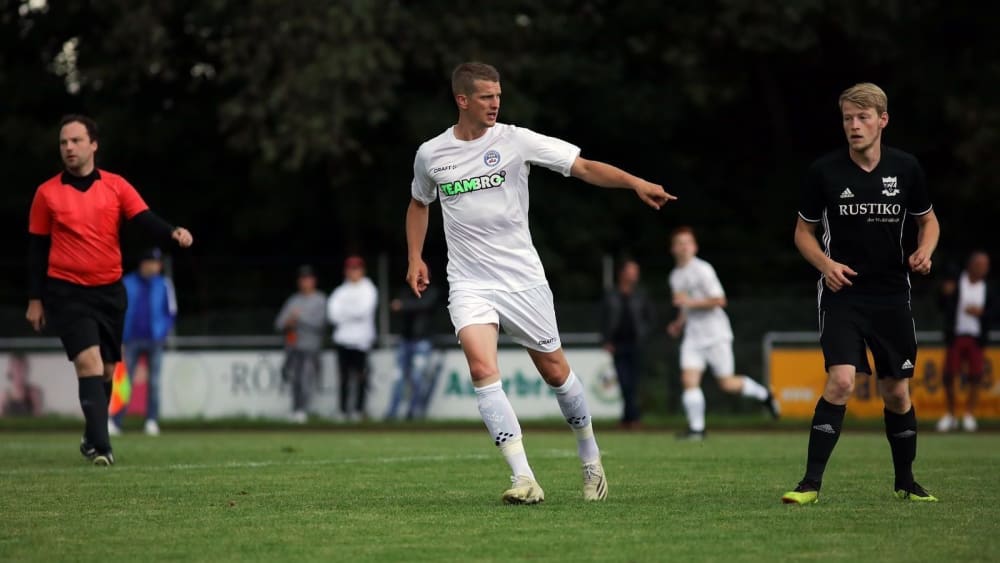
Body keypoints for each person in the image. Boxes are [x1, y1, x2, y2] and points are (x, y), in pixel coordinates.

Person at [405, 62, 675, 504]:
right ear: (462, 100)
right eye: (487, 96)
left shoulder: (516, 140)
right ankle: (524, 478)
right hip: (469, 282)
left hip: (522, 280)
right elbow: (419, 203)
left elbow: (583, 167)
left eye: (498, 95)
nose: (496, 103)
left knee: (555, 372)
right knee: (481, 368)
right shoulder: (431, 154)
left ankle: (590, 457)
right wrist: (415, 257)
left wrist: (635, 183)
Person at [782, 83, 940, 504]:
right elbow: (803, 233)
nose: (854, 125)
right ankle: (809, 485)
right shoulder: (825, 172)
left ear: (882, 120)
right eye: (848, 118)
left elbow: (929, 221)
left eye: (863, 117)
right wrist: (826, 265)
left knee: (897, 392)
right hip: (842, 293)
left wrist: (925, 251)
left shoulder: (906, 168)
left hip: (891, 296)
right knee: (841, 380)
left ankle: (906, 482)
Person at [26, 114, 193, 466]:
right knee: (88, 362)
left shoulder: (116, 186)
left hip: (109, 292)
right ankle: (103, 447)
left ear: (93, 145)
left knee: (106, 369)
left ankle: (91, 434)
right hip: (66, 291)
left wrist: (172, 231)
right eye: (63, 142)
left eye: (75, 141)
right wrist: (35, 298)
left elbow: (144, 218)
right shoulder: (46, 194)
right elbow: (37, 249)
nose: (68, 148)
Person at [666, 227, 779, 440]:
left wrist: (689, 302)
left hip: (716, 334)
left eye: (687, 242)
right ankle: (697, 429)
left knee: (727, 384)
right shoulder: (675, 276)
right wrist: (678, 323)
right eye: (679, 243)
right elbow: (685, 307)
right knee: (689, 380)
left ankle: (765, 395)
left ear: (694, 247)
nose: (684, 247)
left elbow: (719, 300)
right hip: (693, 336)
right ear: (673, 248)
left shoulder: (703, 270)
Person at [110, 247, 177, 437]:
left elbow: (171, 312)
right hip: (130, 339)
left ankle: (151, 420)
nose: (155, 266)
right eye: (152, 262)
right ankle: (115, 421)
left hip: (155, 340)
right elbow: (118, 310)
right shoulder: (127, 283)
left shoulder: (164, 284)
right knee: (124, 382)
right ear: (143, 263)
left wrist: (162, 333)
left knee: (154, 382)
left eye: (157, 263)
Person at [937, 251, 994, 433]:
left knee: (976, 376)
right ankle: (951, 415)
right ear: (970, 265)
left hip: (976, 338)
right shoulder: (956, 282)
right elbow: (941, 304)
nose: (983, 268)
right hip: (956, 336)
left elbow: (995, 312)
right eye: (979, 264)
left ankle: (969, 414)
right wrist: (945, 294)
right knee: (949, 375)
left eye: (986, 265)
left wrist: (981, 313)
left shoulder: (988, 288)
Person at [600, 259, 656, 429]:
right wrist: (606, 340)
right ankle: (631, 418)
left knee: (634, 382)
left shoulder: (641, 294)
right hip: (618, 345)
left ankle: (629, 418)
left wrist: (644, 334)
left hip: (636, 344)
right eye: (632, 271)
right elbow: (602, 319)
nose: (635, 275)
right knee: (624, 382)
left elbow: (651, 318)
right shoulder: (611, 295)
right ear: (622, 273)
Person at [327, 255, 378, 422]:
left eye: (356, 268)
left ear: (362, 270)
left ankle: (358, 410)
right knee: (343, 378)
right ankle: (342, 410)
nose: (353, 272)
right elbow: (332, 315)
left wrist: (345, 312)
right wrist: (350, 313)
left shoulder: (369, 289)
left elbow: (363, 311)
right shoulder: (340, 291)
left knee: (360, 377)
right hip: (343, 340)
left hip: (361, 341)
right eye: (351, 269)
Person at [275, 265, 327, 424]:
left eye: (308, 279)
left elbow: (319, 323)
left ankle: (302, 411)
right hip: (293, 347)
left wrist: (299, 318)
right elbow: (279, 323)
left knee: (306, 379)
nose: (305, 282)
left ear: (314, 281)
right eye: (303, 279)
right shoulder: (293, 300)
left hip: (310, 348)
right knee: (295, 381)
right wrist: (289, 321)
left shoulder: (320, 299)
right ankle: (296, 410)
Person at [386, 283, 440, 420]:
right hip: (405, 341)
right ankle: (392, 414)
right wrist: (404, 304)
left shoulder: (431, 291)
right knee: (398, 379)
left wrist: (403, 305)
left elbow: (424, 305)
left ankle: (413, 414)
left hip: (422, 341)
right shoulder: (406, 290)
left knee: (417, 378)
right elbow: (395, 305)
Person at [2, 353, 44, 417]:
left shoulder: (34, 393)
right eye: (15, 367)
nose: (18, 371)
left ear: (26, 370)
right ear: (10, 370)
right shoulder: (4, 396)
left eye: (21, 367)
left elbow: (39, 419)